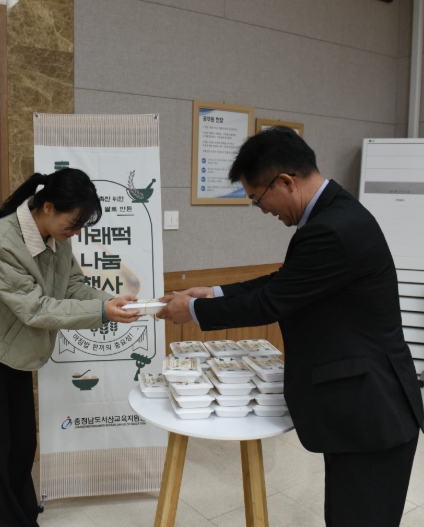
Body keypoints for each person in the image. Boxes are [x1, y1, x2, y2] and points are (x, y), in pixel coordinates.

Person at [157, 126, 424, 527]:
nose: (263, 210)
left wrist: (194, 311)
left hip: (372, 413)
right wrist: (214, 292)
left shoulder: (332, 228)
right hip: (361, 408)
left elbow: (272, 302)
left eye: (257, 199)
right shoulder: (334, 213)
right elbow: (287, 281)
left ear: (285, 181)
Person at [0, 170, 140, 527]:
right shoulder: (2, 241)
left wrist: (113, 302)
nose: (77, 232)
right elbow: (35, 309)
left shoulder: (56, 237)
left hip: (16, 352)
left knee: (22, 444)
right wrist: (102, 312)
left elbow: (73, 288)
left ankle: (24, 517)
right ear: (49, 207)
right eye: (74, 222)